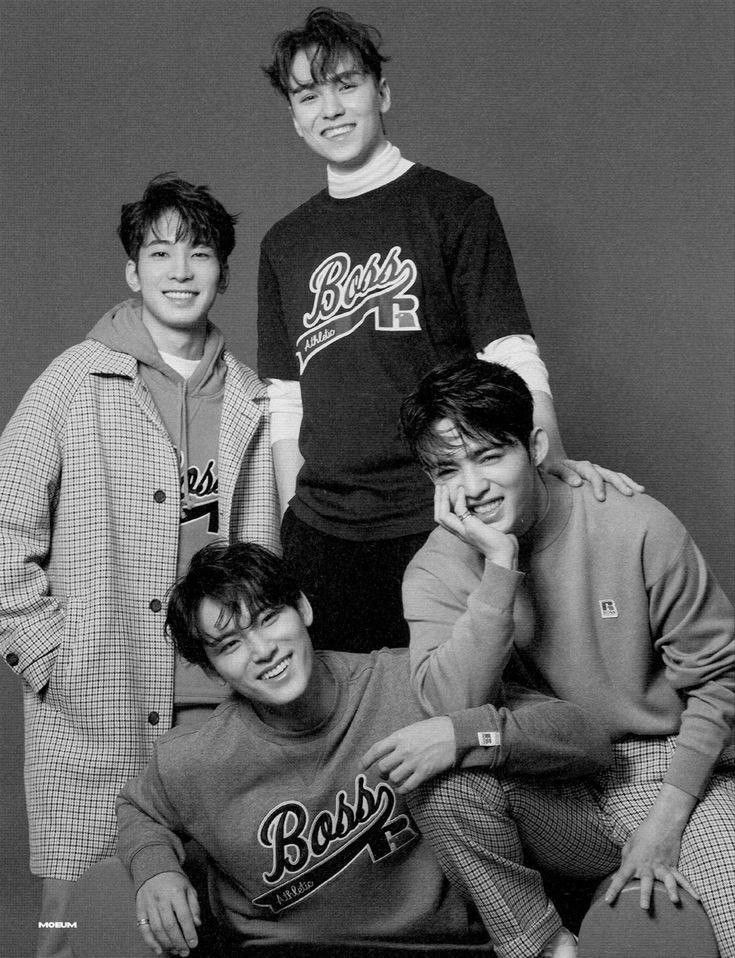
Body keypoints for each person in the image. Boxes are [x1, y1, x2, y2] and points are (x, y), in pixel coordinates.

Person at [258, 6, 642, 653]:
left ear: (381, 92)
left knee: (461, 718)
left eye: (345, 84)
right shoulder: (283, 244)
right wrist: (290, 525)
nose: (329, 107)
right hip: (325, 535)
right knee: (348, 731)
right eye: (307, 93)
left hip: (441, 512)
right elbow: (284, 403)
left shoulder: (455, 207)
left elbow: (510, 353)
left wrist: (554, 465)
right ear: (294, 115)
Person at [0, 174, 279, 957]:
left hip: (224, 714)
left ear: (221, 269)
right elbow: (2, 521)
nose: (180, 270)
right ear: (133, 271)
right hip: (99, 705)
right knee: (72, 926)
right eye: (160, 253)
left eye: (198, 253)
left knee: (216, 927)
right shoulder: (71, 381)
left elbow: (277, 552)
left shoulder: (253, 400)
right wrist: (51, 659)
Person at [115, 540, 612, 957]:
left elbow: (583, 738)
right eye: (230, 644)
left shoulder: (406, 683)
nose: (262, 650)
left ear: (303, 608)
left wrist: (463, 736)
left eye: (268, 619)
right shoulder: (195, 757)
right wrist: (153, 868)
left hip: (443, 948)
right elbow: (139, 807)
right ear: (210, 669)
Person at [398, 357, 735, 958]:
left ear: (535, 446)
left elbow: (721, 680)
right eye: (448, 468)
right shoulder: (435, 568)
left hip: (674, 772)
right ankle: (552, 951)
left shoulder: (635, 524)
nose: (472, 487)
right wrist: (499, 568)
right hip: (558, 781)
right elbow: (453, 709)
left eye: (489, 455)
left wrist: (668, 819)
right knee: (441, 787)